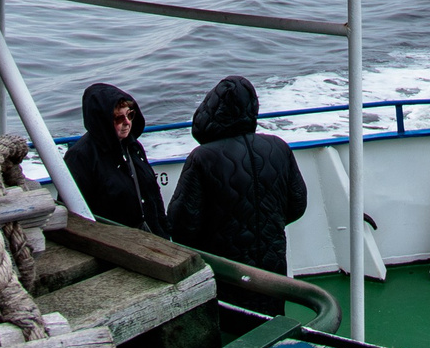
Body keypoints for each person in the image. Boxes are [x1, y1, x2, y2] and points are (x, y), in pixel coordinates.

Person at [165, 75, 307, 274]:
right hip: (272, 265)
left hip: (224, 269)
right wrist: (266, 227)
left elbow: (181, 224)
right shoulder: (279, 147)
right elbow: (297, 204)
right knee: (269, 294)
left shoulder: (202, 157)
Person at [64, 83, 169, 236]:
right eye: (119, 118)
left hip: (152, 237)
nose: (127, 122)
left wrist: (165, 231)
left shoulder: (132, 146)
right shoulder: (80, 157)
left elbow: (153, 193)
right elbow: (75, 215)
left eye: (130, 115)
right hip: (115, 241)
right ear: (103, 120)